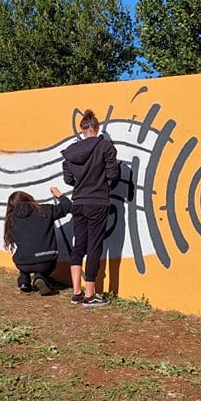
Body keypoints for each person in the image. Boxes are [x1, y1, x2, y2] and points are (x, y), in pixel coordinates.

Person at [61, 109, 120, 307]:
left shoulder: (70, 152)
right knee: (94, 246)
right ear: (96, 127)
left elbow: (68, 179)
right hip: (98, 201)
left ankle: (76, 292)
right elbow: (113, 174)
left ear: (83, 130)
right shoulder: (106, 147)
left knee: (79, 245)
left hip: (78, 202)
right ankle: (90, 294)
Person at [3, 187, 72, 295]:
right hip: (46, 262)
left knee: (25, 252)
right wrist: (59, 195)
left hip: (23, 263)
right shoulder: (44, 210)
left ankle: (24, 281)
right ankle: (40, 276)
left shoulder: (11, 220)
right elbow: (67, 206)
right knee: (41, 260)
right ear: (28, 198)